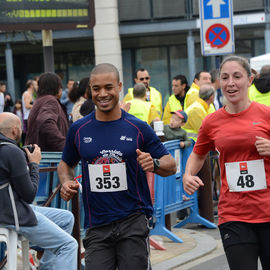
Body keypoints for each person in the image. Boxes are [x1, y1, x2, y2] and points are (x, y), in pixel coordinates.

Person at [57, 63, 176, 270]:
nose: (103, 94)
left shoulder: (138, 128)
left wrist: (154, 163)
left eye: (109, 87)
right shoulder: (79, 129)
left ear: (119, 87)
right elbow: (66, 164)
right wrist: (66, 182)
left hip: (133, 221)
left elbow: (171, 165)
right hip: (97, 225)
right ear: (90, 91)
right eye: (96, 89)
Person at [183, 55, 270, 270]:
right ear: (219, 83)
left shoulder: (266, 114)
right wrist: (187, 174)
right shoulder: (212, 121)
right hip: (234, 214)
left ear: (250, 80)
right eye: (225, 77)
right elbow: (198, 153)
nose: (231, 83)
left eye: (237, 76)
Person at [0, 112, 78, 270]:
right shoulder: (11, 151)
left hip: (8, 207)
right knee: (69, 245)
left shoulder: (8, 151)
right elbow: (29, 195)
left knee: (66, 218)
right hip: (12, 214)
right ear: (15, 131)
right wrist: (34, 164)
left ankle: (46, 267)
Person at [25, 72, 69, 151]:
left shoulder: (40, 100)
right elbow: (45, 123)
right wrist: (64, 145)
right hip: (48, 159)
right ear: (57, 87)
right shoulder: (50, 100)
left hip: (39, 156)